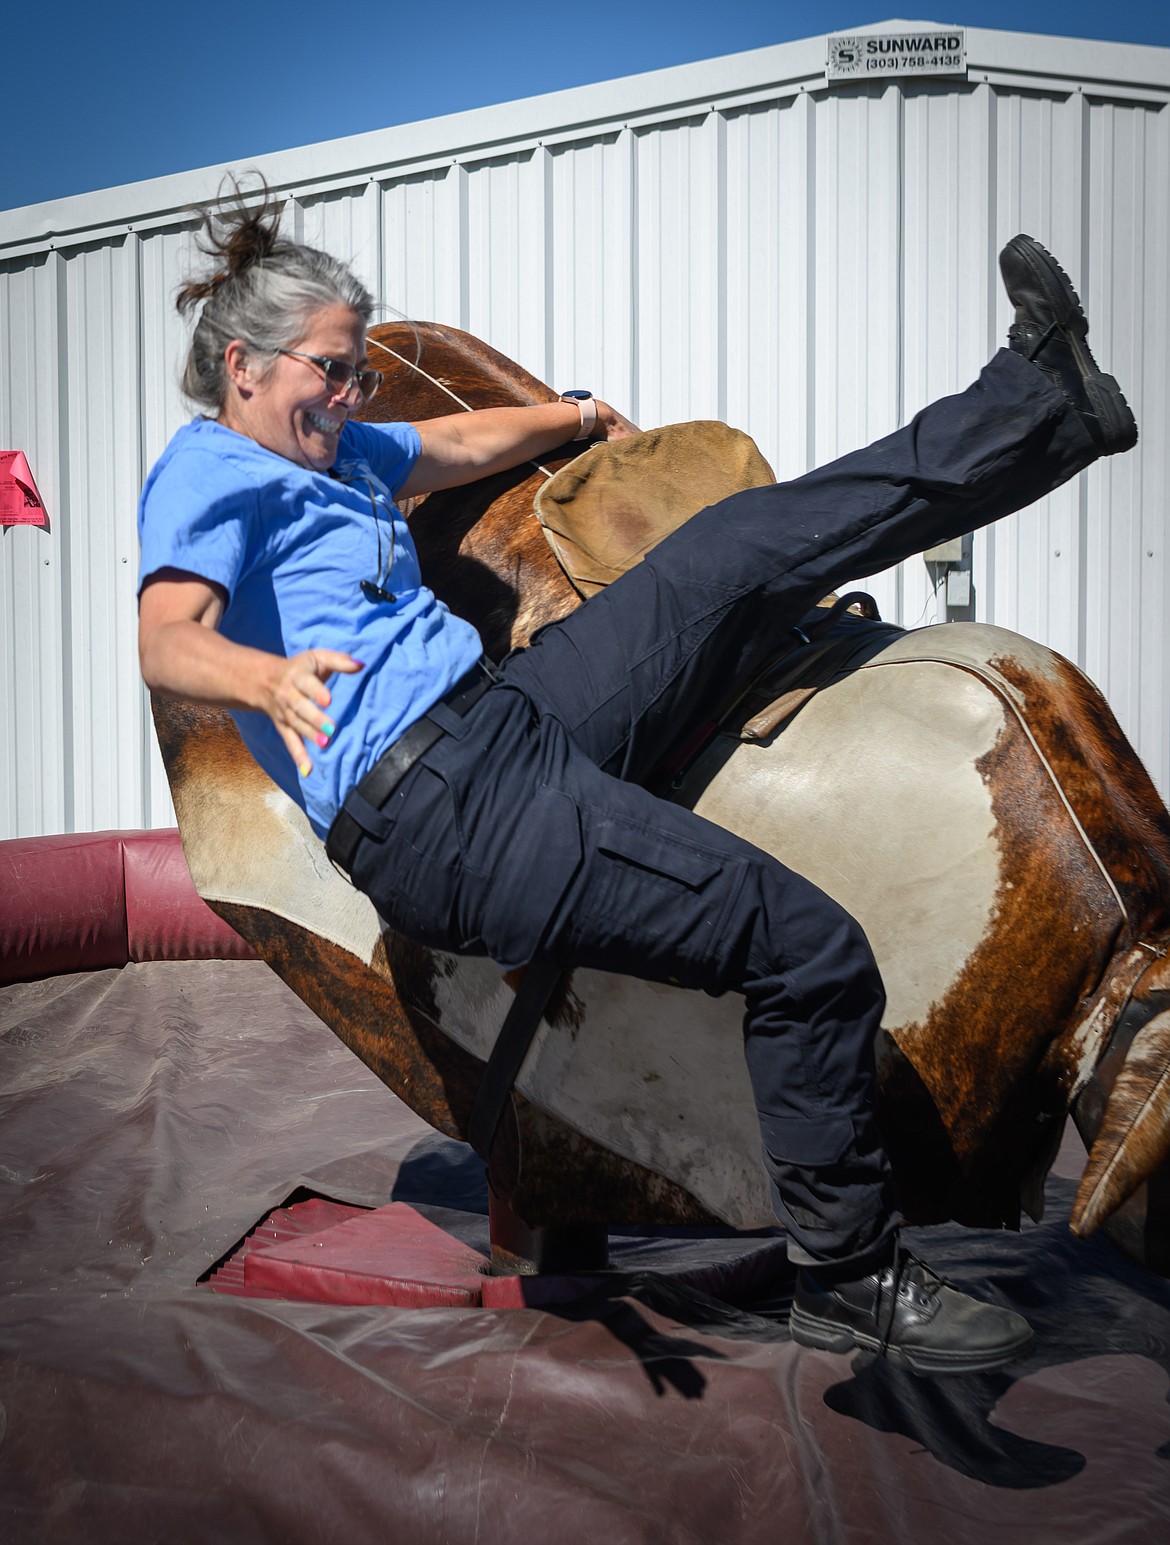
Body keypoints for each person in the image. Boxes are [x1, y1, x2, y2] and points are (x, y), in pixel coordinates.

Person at [138, 188, 1137, 1376]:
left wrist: (570, 415)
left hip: (501, 719)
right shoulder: (207, 473)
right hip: (444, 816)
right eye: (331, 371)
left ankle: (1043, 404)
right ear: (244, 367)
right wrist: (259, 680)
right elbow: (165, 636)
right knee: (806, 947)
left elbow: (455, 444)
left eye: (357, 373)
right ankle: (852, 1276)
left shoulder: (346, 452)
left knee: (734, 547)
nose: (349, 396)